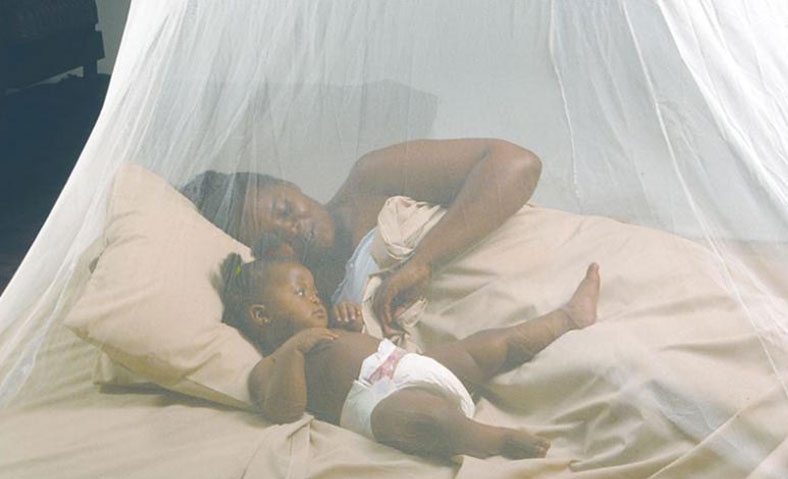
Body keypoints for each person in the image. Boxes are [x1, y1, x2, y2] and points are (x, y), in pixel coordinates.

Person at [220, 252, 601, 460]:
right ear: (261, 316)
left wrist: (352, 329)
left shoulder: (327, 330)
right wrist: (294, 352)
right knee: (428, 418)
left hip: (401, 362)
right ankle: (491, 440)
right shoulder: (270, 364)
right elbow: (284, 409)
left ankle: (567, 318)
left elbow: (357, 351)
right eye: (301, 293)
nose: (316, 297)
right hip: (375, 404)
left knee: (485, 346)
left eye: (315, 289)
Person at [183, 138, 542, 335]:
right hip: (513, 332)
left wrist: (423, 263)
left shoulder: (370, 180)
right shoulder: (316, 310)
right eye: (275, 239)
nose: (294, 230)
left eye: (284, 210)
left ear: (289, 184)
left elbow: (516, 165)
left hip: (541, 262)